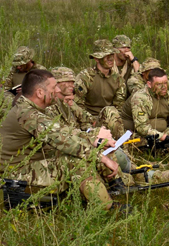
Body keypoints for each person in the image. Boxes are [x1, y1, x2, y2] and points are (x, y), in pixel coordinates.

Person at [0, 69, 121, 211]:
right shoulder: (28, 114)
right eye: (53, 87)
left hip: (29, 164)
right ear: (39, 92)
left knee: (81, 152)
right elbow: (64, 140)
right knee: (75, 161)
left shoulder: (31, 108)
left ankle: (106, 190)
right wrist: (102, 158)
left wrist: (93, 138)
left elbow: (63, 131)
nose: (57, 90)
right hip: (16, 174)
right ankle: (106, 208)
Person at [120, 68, 169, 141]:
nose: (163, 87)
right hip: (137, 133)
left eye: (165, 83)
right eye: (158, 84)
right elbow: (142, 127)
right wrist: (166, 137)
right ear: (149, 84)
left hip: (161, 130)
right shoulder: (140, 98)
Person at [74, 39, 127, 139]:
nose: (110, 59)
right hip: (88, 120)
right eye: (106, 56)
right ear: (97, 59)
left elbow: (119, 106)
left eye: (112, 55)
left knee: (112, 112)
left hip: (110, 118)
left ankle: (119, 147)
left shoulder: (118, 79)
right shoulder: (86, 77)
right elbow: (77, 105)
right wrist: (90, 122)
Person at [1, 46, 45, 116]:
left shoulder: (40, 71)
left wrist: (28, 90)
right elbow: (6, 89)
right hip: (13, 100)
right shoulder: (13, 71)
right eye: (16, 65)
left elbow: (46, 89)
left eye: (21, 64)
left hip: (33, 100)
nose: (18, 67)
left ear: (29, 61)